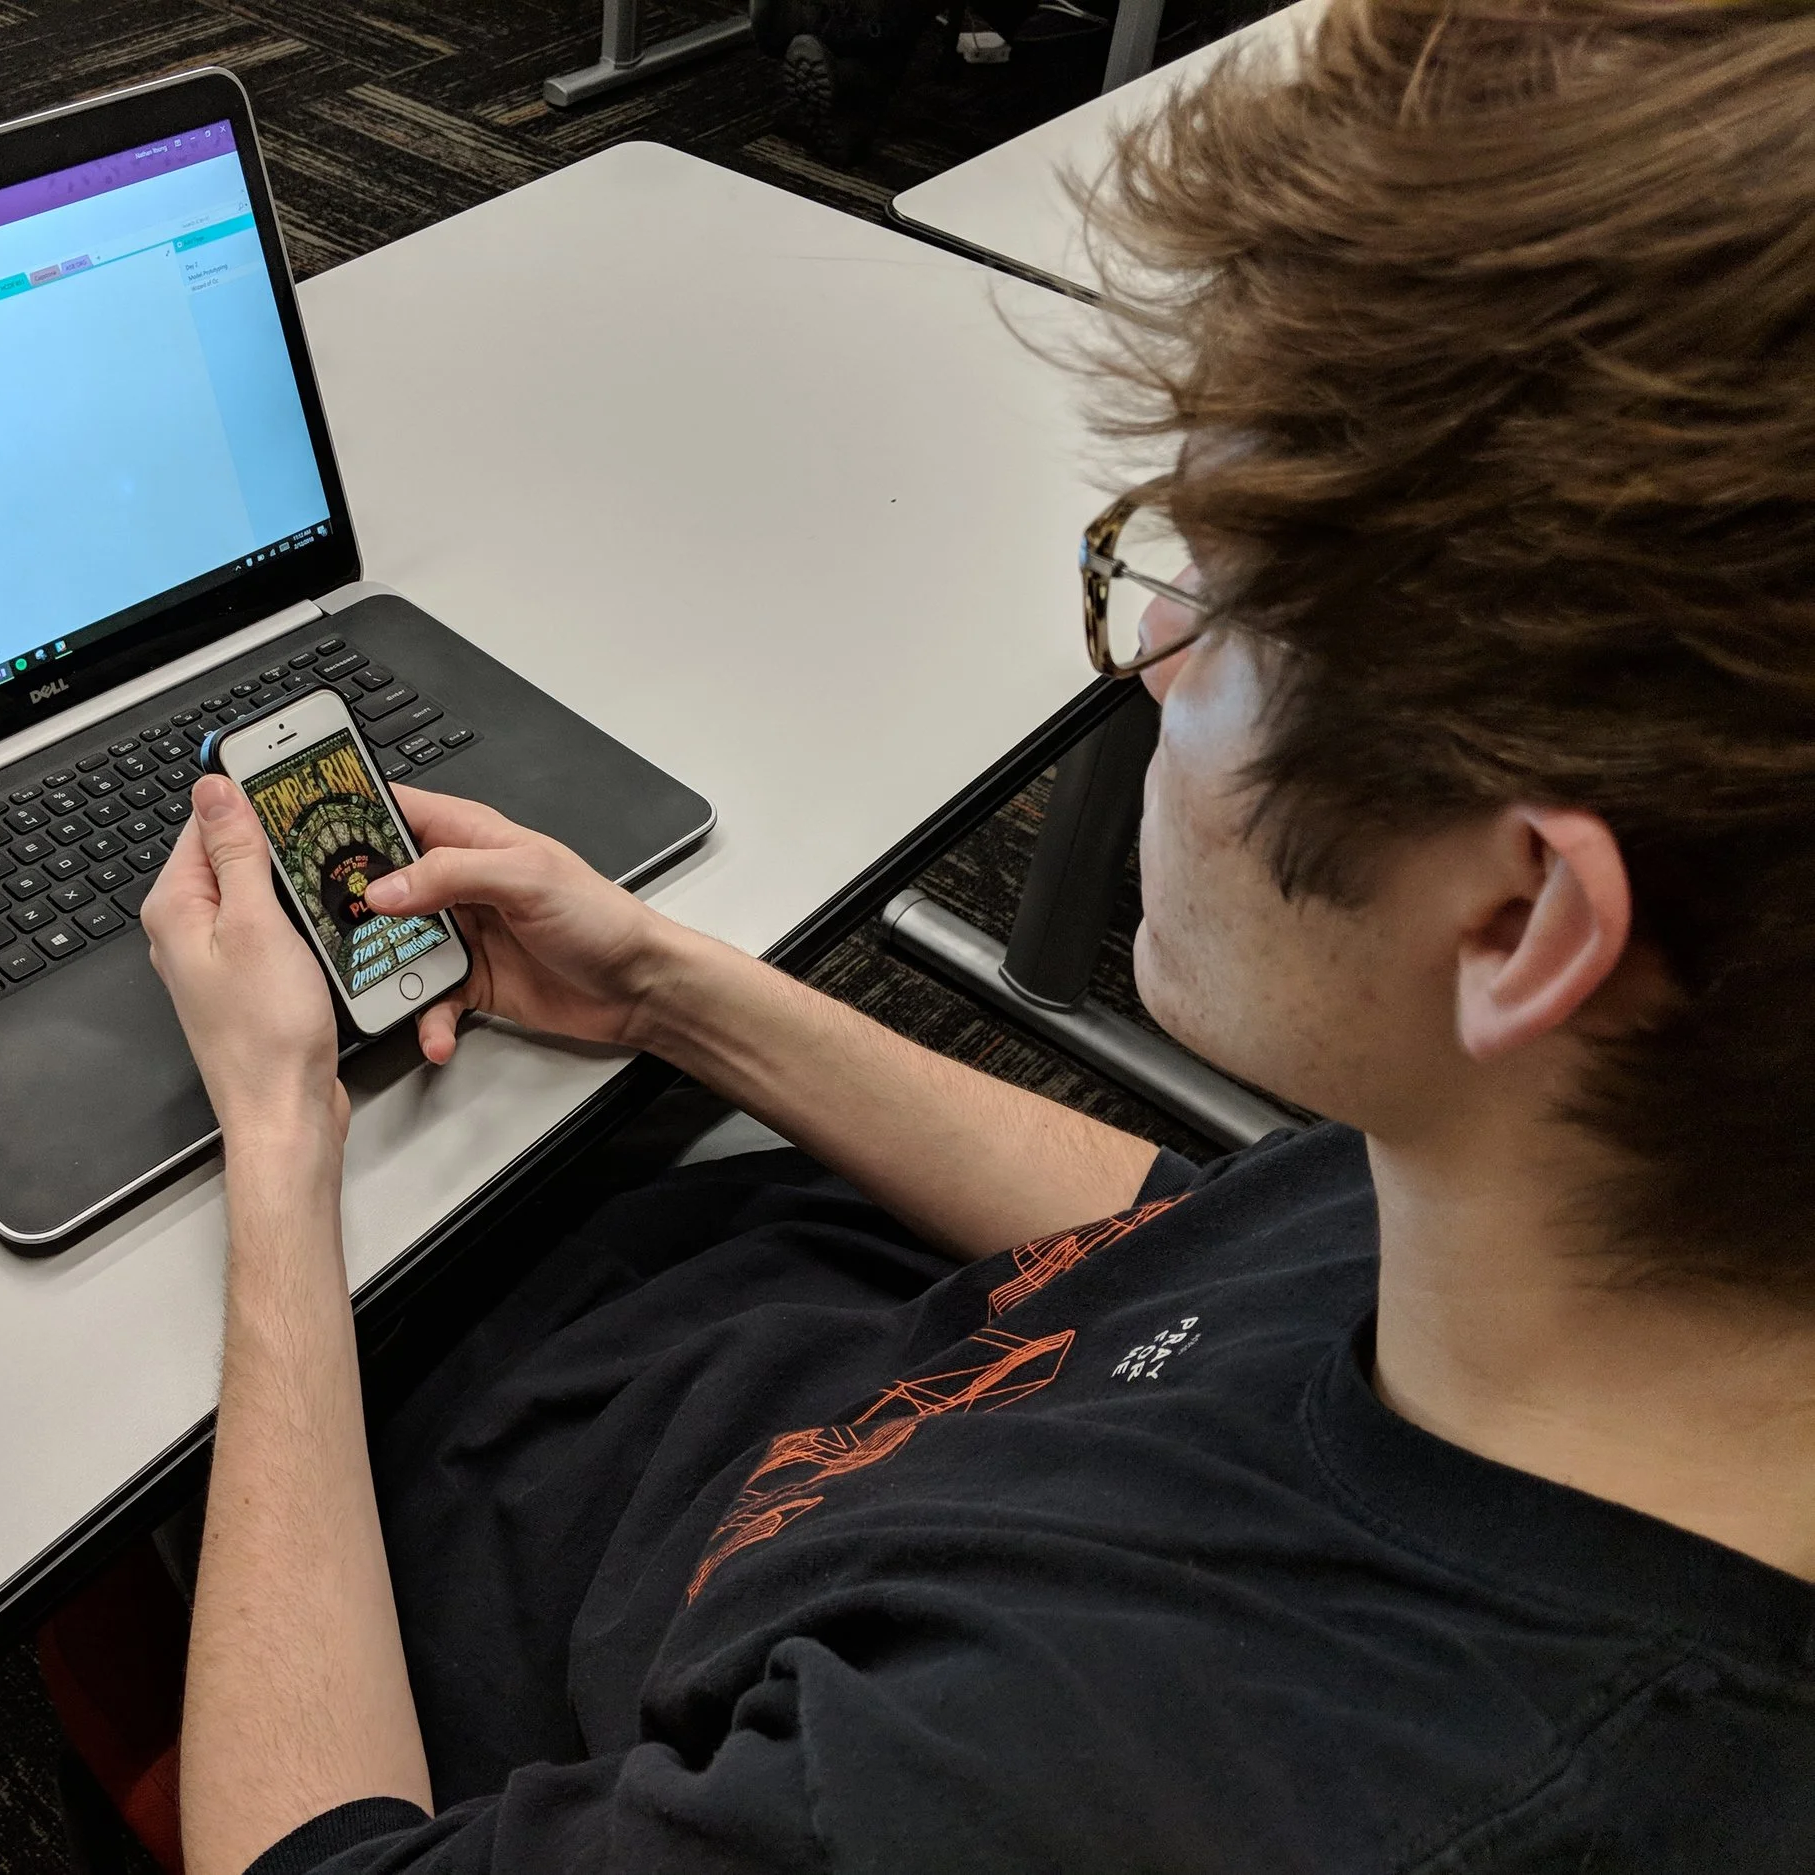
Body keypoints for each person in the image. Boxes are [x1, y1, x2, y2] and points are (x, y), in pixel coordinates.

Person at [130, 2, 1815, 1869]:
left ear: (1521, 920)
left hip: (450, 1516)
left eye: (1224, 608)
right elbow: (1193, 1244)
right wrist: (669, 987)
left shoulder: (1058, 1785)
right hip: (758, 1343)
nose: (1150, 654)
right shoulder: (1610, 1204)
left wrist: (278, 1145)